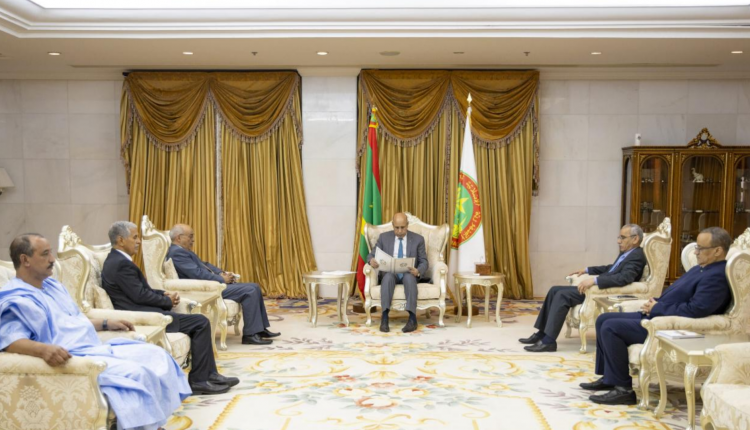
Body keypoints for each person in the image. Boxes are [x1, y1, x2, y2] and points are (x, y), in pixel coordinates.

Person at [0, 233, 191, 430]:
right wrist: (43, 350)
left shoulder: (52, 286)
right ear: (25, 260)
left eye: (51, 253)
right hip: (74, 357)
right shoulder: (16, 298)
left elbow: (71, 321)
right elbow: (10, 341)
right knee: (137, 373)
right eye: (45, 254)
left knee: (156, 355)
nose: (52, 259)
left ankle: (154, 423)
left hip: (95, 347)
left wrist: (106, 323)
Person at [583, 226, 733, 405]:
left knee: (610, 327)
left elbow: (696, 309)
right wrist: (655, 302)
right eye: (696, 247)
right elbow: (680, 295)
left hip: (668, 326)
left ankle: (623, 390)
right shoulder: (701, 268)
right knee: (603, 319)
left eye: (701, 248)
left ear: (717, 251)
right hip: (658, 314)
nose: (696, 252)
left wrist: (658, 308)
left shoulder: (717, 275)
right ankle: (610, 378)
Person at [101, 221, 238, 395]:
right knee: (200, 322)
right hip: (145, 317)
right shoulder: (120, 263)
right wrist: (166, 301)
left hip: (146, 310)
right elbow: (139, 296)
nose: (139, 242)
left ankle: (210, 375)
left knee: (200, 321)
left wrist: (163, 294)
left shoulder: (119, 260)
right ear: (121, 240)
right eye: (135, 238)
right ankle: (199, 381)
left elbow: (141, 290)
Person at [519, 224, 647, 352]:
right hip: (599, 290)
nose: (618, 241)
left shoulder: (637, 255)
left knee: (562, 295)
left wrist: (594, 281)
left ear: (635, 239)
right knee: (554, 290)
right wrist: (587, 270)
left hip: (603, 293)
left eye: (622, 238)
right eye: (619, 237)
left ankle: (549, 342)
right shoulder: (627, 253)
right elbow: (611, 269)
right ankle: (542, 333)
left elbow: (624, 278)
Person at [166, 224, 279, 345]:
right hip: (204, 290)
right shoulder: (176, 253)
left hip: (210, 284)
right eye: (190, 236)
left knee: (254, 286)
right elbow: (197, 274)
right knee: (250, 290)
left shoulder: (182, 251)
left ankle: (259, 329)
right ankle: (250, 335)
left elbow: (204, 265)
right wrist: (221, 279)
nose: (193, 240)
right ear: (179, 238)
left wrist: (221, 273)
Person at [367, 212, 429, 333]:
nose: (400, 231)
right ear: (392, 225)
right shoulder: (384, 238)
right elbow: (371, 255)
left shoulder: (418, 239)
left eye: (402, 227)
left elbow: (424, 262)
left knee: (409, 278)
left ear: (407, 225)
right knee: (388, 277)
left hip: (409, 273)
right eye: (397, 228)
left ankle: (412, 319)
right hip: (390, 273)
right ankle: (384, 317)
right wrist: (371, 261)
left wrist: (418, 271)